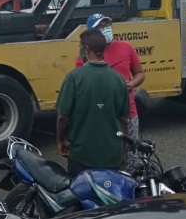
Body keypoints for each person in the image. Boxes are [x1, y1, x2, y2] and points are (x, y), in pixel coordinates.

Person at [76, 13, 145, 173]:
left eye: (107, 26)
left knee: (130, 154)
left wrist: (131, 84)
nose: (106, 30)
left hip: (129, 111)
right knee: (106, 156)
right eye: (101, 27)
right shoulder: (85, 56)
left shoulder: (126, 48)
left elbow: (140, 74)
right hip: (102, 115)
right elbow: (82, 86)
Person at [58, 29, 130, 177]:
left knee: (81, 196)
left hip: (82, 155)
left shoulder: (74, 78)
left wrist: (60, 140)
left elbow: (62, 117)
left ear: (86, 49)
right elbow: (123, 120)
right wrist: (122, 149)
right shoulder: (118, 79)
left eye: (80, 47)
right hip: (112, 155)